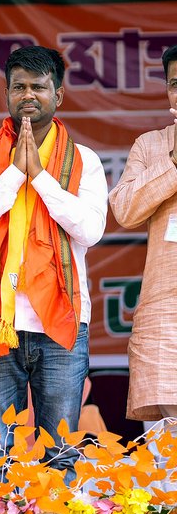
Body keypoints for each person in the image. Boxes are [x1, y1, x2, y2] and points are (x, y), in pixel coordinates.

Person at [0, 45, 108, 478]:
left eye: (38, 87)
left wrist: (39, 176)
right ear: (6, 93)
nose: (28, 95)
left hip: (61, 325)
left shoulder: (85, 162)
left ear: (58, 94)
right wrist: (14, 175)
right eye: (18, 86)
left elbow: (90, 230)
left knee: (61, 454)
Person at [109, 44, 177, 424]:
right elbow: (124, 210)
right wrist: (173, 162)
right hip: (165, 311)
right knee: (167, 449)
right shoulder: (150, 145)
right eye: (175, 83)